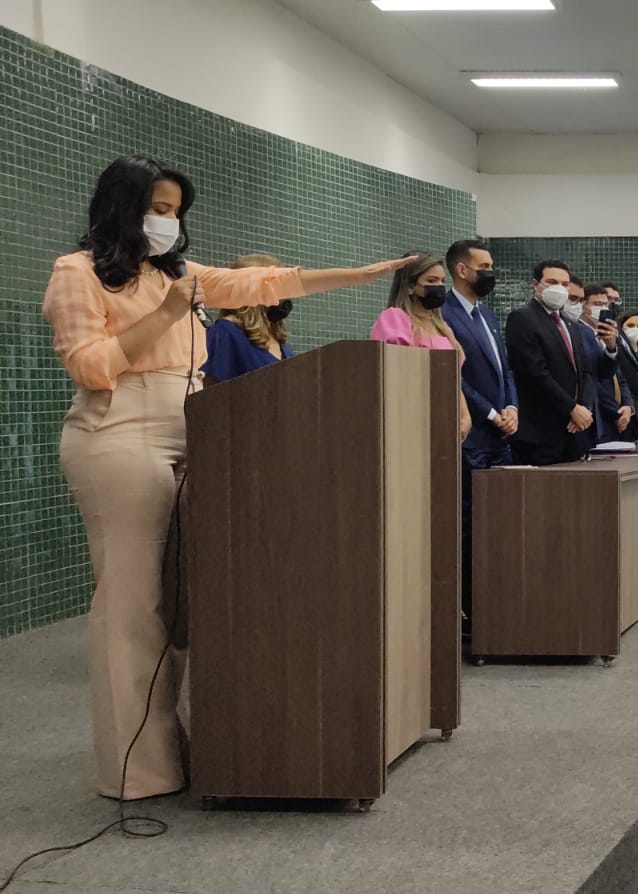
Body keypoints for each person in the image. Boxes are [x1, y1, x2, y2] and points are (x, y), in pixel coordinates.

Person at [42, 155, 411, 800]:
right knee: (133, 602)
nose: (168, 221)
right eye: (158, 208)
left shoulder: (177, 273)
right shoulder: (77, 273)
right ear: (122, 208)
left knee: (189, 600)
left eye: (175, 211)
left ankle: (177, 743)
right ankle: (135, 769)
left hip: (195, 426)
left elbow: (262, 283)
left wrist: (356, 276)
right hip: (118, 432)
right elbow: (90, 367)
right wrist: (165, 314)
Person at [438, 237, 516, 636]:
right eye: (484, 267)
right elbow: (454, 375)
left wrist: (512, 407)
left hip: (501, 436)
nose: (491, 273)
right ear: (461, 269)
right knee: (469, 525)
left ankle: (495, 604)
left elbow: (505, 369)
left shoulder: (486, 314)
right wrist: (489, 412)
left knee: (498, 524)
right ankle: (469, 611)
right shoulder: (444, 313)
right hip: (472, 436)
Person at [370, 252, 472, 441]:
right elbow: (396, 374)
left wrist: (465, 416)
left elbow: (452, 379)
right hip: (411, 421)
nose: (439, 287)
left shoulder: (443, 327)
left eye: (442, 281)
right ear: (410, 286)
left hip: (445, 421)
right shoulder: (395, 319)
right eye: (431, 281)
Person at [504, 260, 595, 466]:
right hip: (540, 432)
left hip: (574, 430)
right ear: (535, 284)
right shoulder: (522, 318)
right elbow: (534, 373)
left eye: (565, 284)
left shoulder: (570, 324)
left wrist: (583, 408)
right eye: (552, 282)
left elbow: (585, 372)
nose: (559, 289)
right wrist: (571, 407)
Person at [201, 253, 295, 384]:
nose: (286, 295)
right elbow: (208, 390)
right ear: (252, 291)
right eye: (279, 287)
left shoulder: (276, 337)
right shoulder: (224, 333)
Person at [578, 284, 634, 444]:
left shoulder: (609, 335)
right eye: (597, 304)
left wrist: (628, 406)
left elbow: (619, 377)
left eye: (605, 305)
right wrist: (615, 412)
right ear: (583, 306)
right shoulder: (579, 334)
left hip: (620, 417)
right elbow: (592, 379)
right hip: (598, 415)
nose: (603, 308)